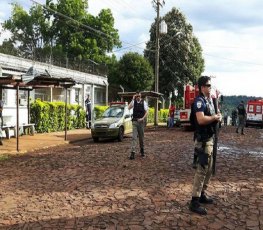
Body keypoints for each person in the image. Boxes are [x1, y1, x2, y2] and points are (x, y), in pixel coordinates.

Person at [189, 76, 222, 215]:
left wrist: (218, 115)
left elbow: (214, 115)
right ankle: (194, 201)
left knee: (209, 169)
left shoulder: (209, 101)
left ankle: (202, 194)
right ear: (202, 87)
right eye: (208, 85)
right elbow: (201, 119)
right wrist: (215, 118)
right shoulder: (199, 101)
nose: (210, 87)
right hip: (203, 141)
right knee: (201, 170)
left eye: (210, 85)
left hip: (210, 139)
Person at [128, 91, 148, 160]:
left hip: (141, 122)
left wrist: (142, 118)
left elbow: (146, 112)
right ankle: (132, 152)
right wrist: (132, 99)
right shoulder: (134, 102)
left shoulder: (144, 102)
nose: (138, 97)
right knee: (134, 137)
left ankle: (142, 149)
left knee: (141, 138)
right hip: (135, 122)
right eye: (137, 96)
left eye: (139, 96)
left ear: (141, 96)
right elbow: (128, 107)